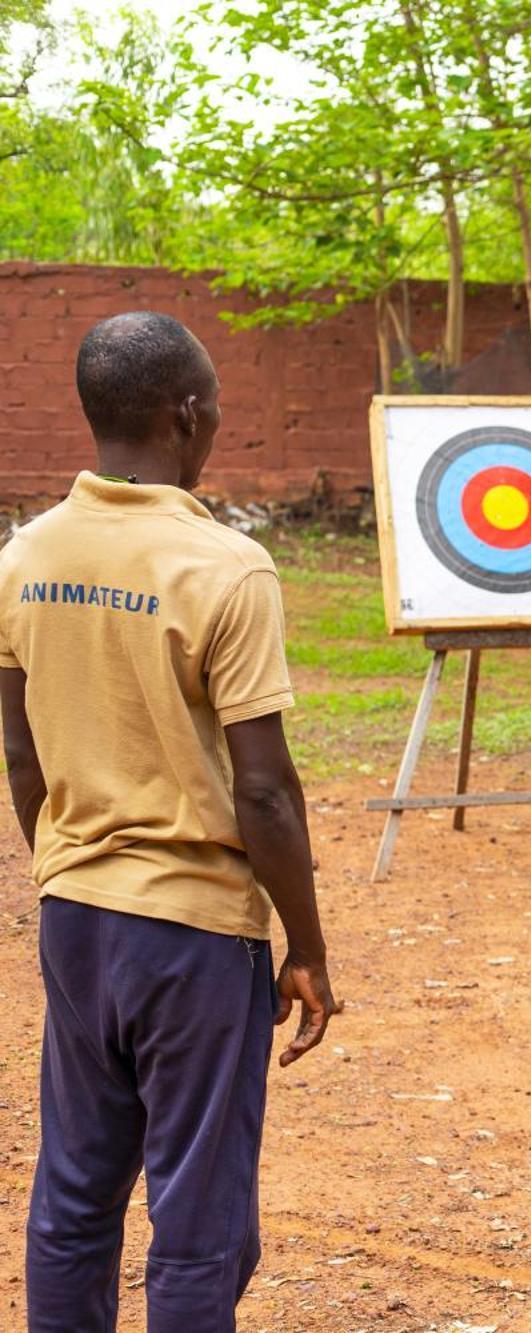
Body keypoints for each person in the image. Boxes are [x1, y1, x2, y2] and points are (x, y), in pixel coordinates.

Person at [0, 311, 337, 1332]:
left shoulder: (23, 556)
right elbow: (266, 791)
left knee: (74, 1193)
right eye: (219, 406)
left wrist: (67, 869)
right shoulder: (225, 567)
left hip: (78, 920)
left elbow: (20, 753)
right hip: (193, 938)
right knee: (199, 1223)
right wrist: (309, 946)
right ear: (189, 416)